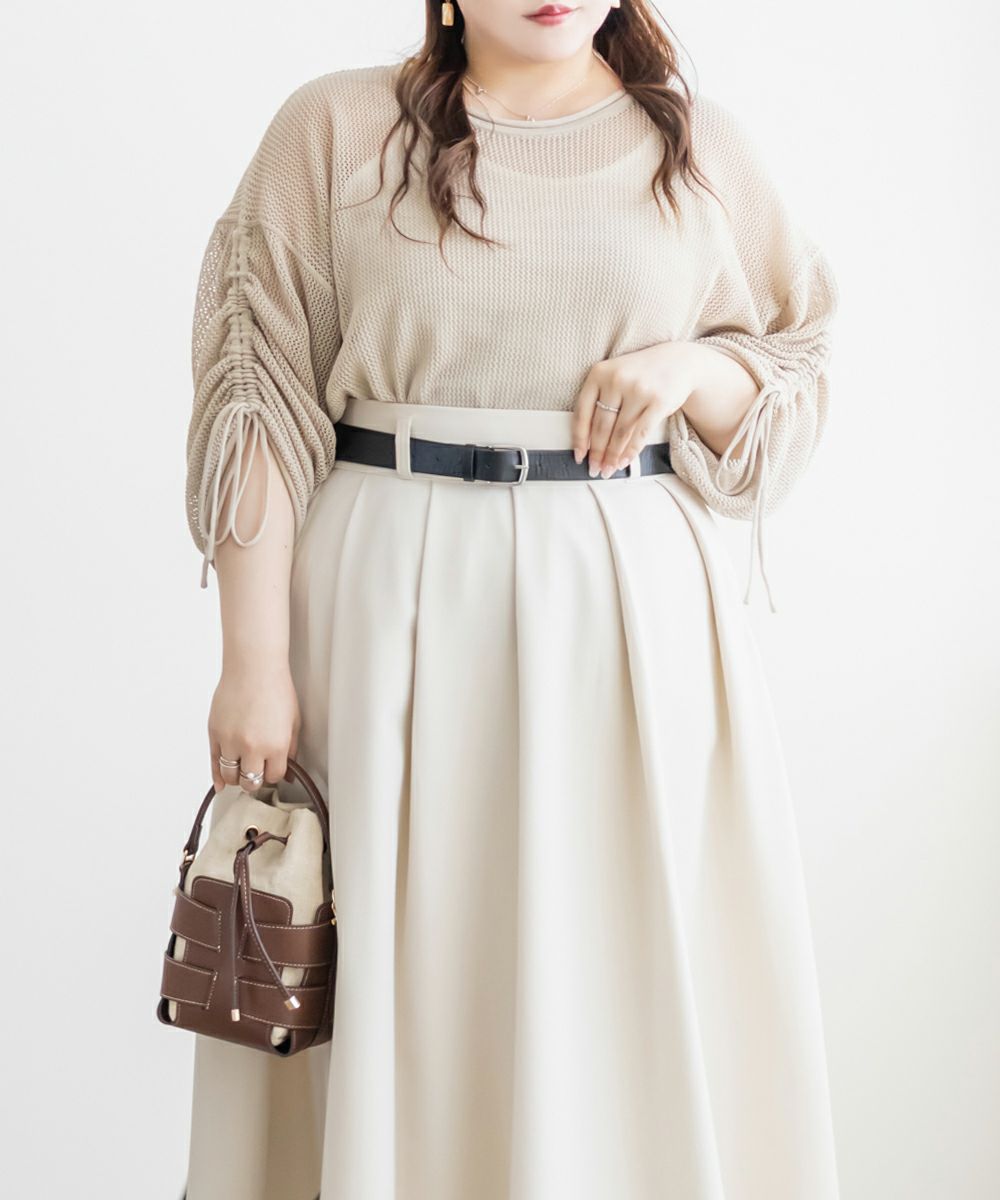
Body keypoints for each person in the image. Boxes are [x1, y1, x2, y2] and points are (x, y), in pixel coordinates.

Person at [177, 3, 841, 1198]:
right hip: (384, 616)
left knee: (613, 970)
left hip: (627, 633)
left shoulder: (698, 149)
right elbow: (256, 399)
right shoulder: (332, 129)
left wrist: (693, 367)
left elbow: (793, 378)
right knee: (411, 972)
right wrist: (253, 661)